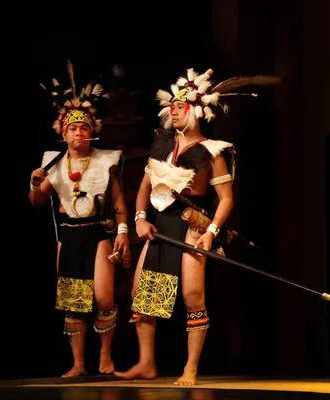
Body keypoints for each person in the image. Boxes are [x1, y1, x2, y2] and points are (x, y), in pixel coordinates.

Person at [114, 67, 278, 385]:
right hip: (160, 223)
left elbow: (226, 199)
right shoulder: (161, 145)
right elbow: (145, 189)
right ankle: (146, 363)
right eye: (171, 107)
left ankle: (190, 367)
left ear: (196, 111)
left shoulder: (211, 151)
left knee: (192, 295)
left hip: (192, 223)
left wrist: (212, 232)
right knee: (142, 294)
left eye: (180, 107)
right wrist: (140, 219)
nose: (173, 111)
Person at [29, 60, 130, 378]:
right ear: (64, 132)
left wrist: (123, 232)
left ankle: (105, 354)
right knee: (74, 303)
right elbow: (37, 201)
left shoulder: (105, 162)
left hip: (97, 234)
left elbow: (117, 202)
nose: (78, 132)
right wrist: (34, 184)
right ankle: (77, 363)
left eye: (84, 127)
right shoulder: (54, 163)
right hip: (69, 236)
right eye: (72, 128)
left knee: (103, 297)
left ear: (92, 132)